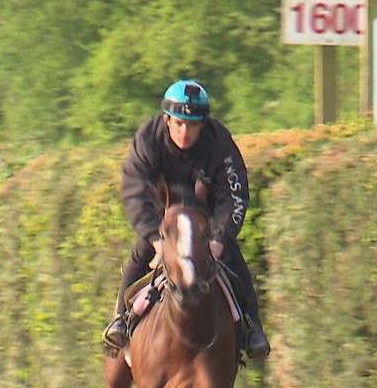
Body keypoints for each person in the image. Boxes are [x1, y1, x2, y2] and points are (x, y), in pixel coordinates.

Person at [102, 79, 271, 360]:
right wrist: (156, 239)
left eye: (193, 125)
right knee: (138, 256)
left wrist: (219, 239)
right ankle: (120, 318)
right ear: (167, 119)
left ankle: (253, 326)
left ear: (204, 124)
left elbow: (234, 196)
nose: (185, 131)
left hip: (205, 223)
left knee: (234, 261)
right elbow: (135, 193)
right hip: (163, 223)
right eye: (179, 123)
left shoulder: (219, 144)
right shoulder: (147, 140)